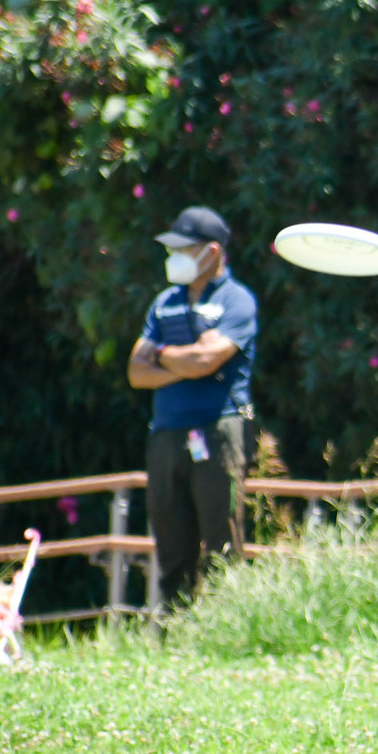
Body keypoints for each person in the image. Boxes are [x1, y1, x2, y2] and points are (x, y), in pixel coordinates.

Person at [126, 206, 258, 608]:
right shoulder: (164, 302)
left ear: (212, 252)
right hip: (166, 433)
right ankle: (173, 629)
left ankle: (225, 627)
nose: (175, 258)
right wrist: (183, 362)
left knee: (222, 542)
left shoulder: (237, 301)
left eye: (184, 249)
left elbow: (206, 360)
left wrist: (161, 355)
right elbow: (136, 371)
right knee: (171, 543)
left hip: (218, 431)